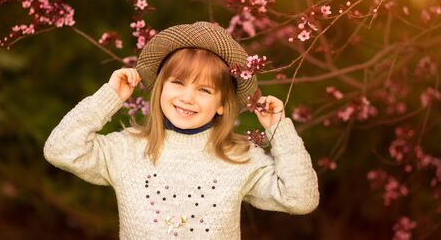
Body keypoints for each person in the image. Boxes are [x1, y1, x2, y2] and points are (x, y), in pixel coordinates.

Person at [43, 21, 319, 239]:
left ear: (222, 104)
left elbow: (300, 199)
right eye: (178, 83)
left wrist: (279, 131)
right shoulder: (127, 148)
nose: (188, 97)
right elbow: (61, 150)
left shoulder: (240, 157)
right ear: (160, 87)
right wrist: (110, 96)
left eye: (204, 90)